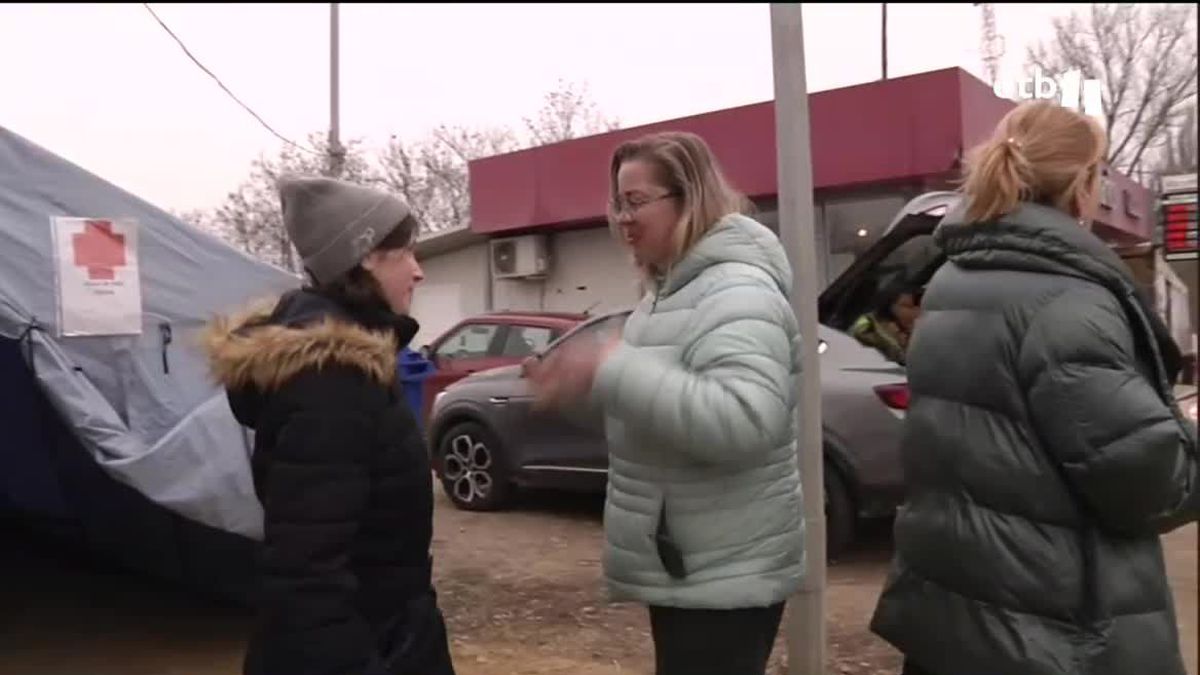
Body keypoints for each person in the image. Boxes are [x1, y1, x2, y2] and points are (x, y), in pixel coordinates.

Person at [870, 100, 1200, 675]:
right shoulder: (1068, 301)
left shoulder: (952, 280)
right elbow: (1145, 486)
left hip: (960, 616)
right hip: (1056, 634)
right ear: (1084, 184)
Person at [524, 131, 804, 675]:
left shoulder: (736, 292)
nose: (622, 219)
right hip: (687, 560)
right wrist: (580, 384)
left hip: (725, 572)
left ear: (689, 197)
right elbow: (656, 415)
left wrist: (612, 368)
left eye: (636, 202)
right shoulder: (667, 293)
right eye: (616, 203)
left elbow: (745, 420)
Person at [203, 176, 456, 675]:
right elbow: (306, 571)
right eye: (406, 252)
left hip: (391, 631)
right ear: (365, 257)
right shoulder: (333, 383)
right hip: (369, 645)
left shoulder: (345, 369)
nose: (419, 271)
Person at [850, 276, 924, 364]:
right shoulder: (868, 325)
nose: (917, 311)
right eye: (908, 306)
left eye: (919, 306)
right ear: (890, 307)